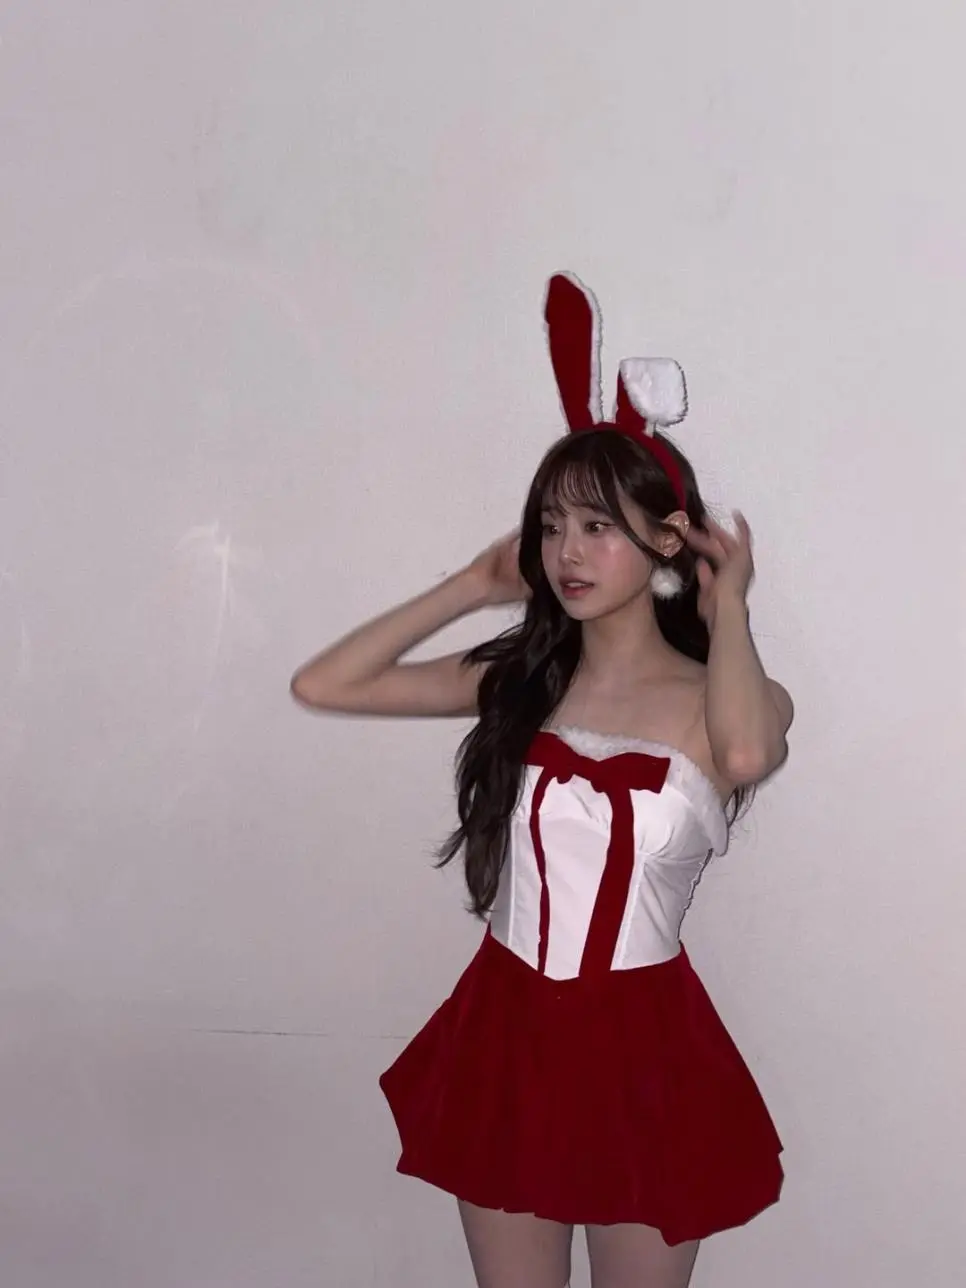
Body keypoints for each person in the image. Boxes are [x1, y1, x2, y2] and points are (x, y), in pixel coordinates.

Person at [291, 272, 793, 1288]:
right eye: (553, 525)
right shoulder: (523, 679)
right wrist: (474, 584)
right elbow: (326, 682)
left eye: (598, 526)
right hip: (508, 1031)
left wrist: (731, 607)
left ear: (666, 537)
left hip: (648, 1050)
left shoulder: (723, 696)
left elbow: (745, 757)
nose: (568, 551)